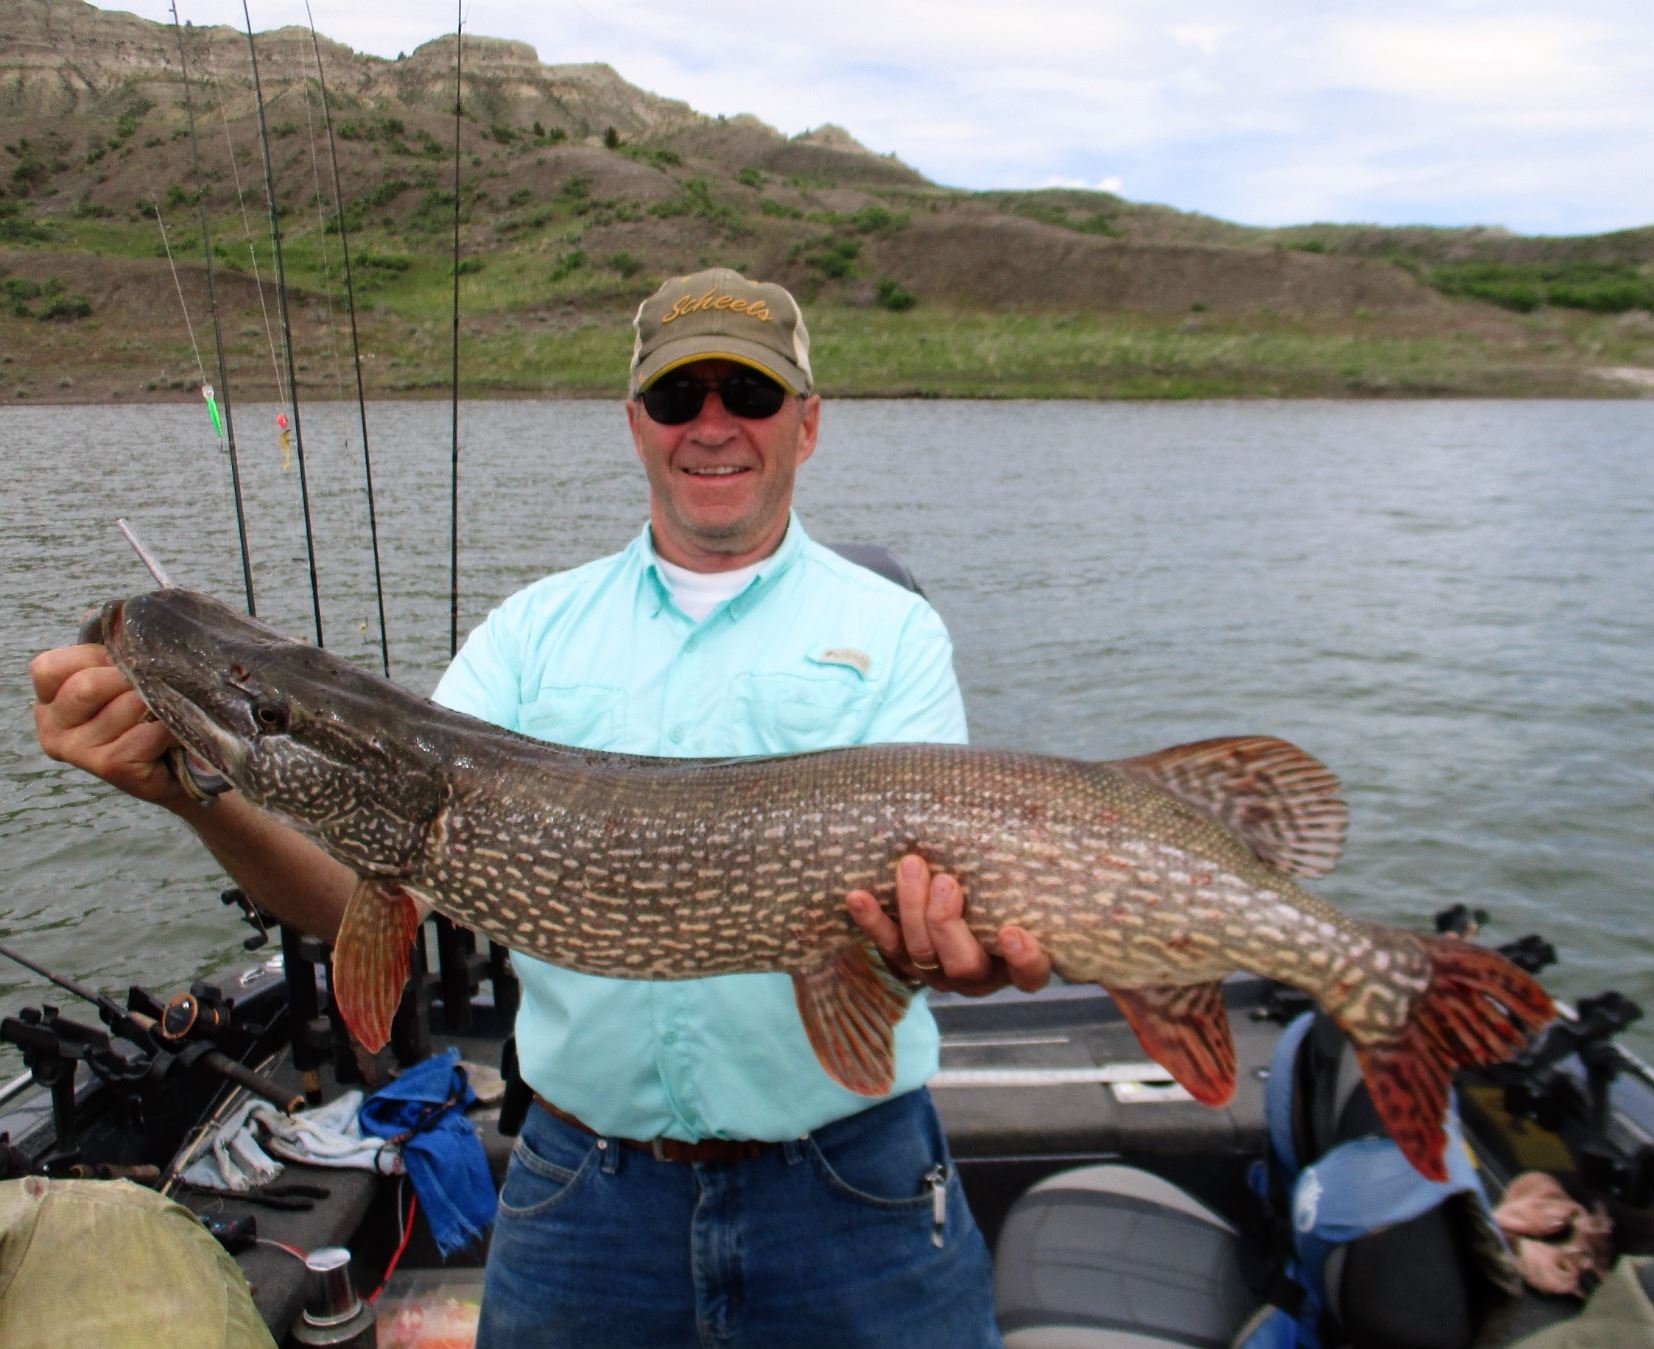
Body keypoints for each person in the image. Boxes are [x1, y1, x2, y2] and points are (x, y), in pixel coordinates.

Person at [30, 267, 1052, 1348]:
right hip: (585, 1198)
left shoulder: (892, 631)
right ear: (636, 423)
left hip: (853, 1188)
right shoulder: (530, 634)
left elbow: (934, 911)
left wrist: (943, 948)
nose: (712, 425)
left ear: (806, 422)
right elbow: (353, 891)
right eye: (677, 396)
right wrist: (195, 796)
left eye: (749, 394)